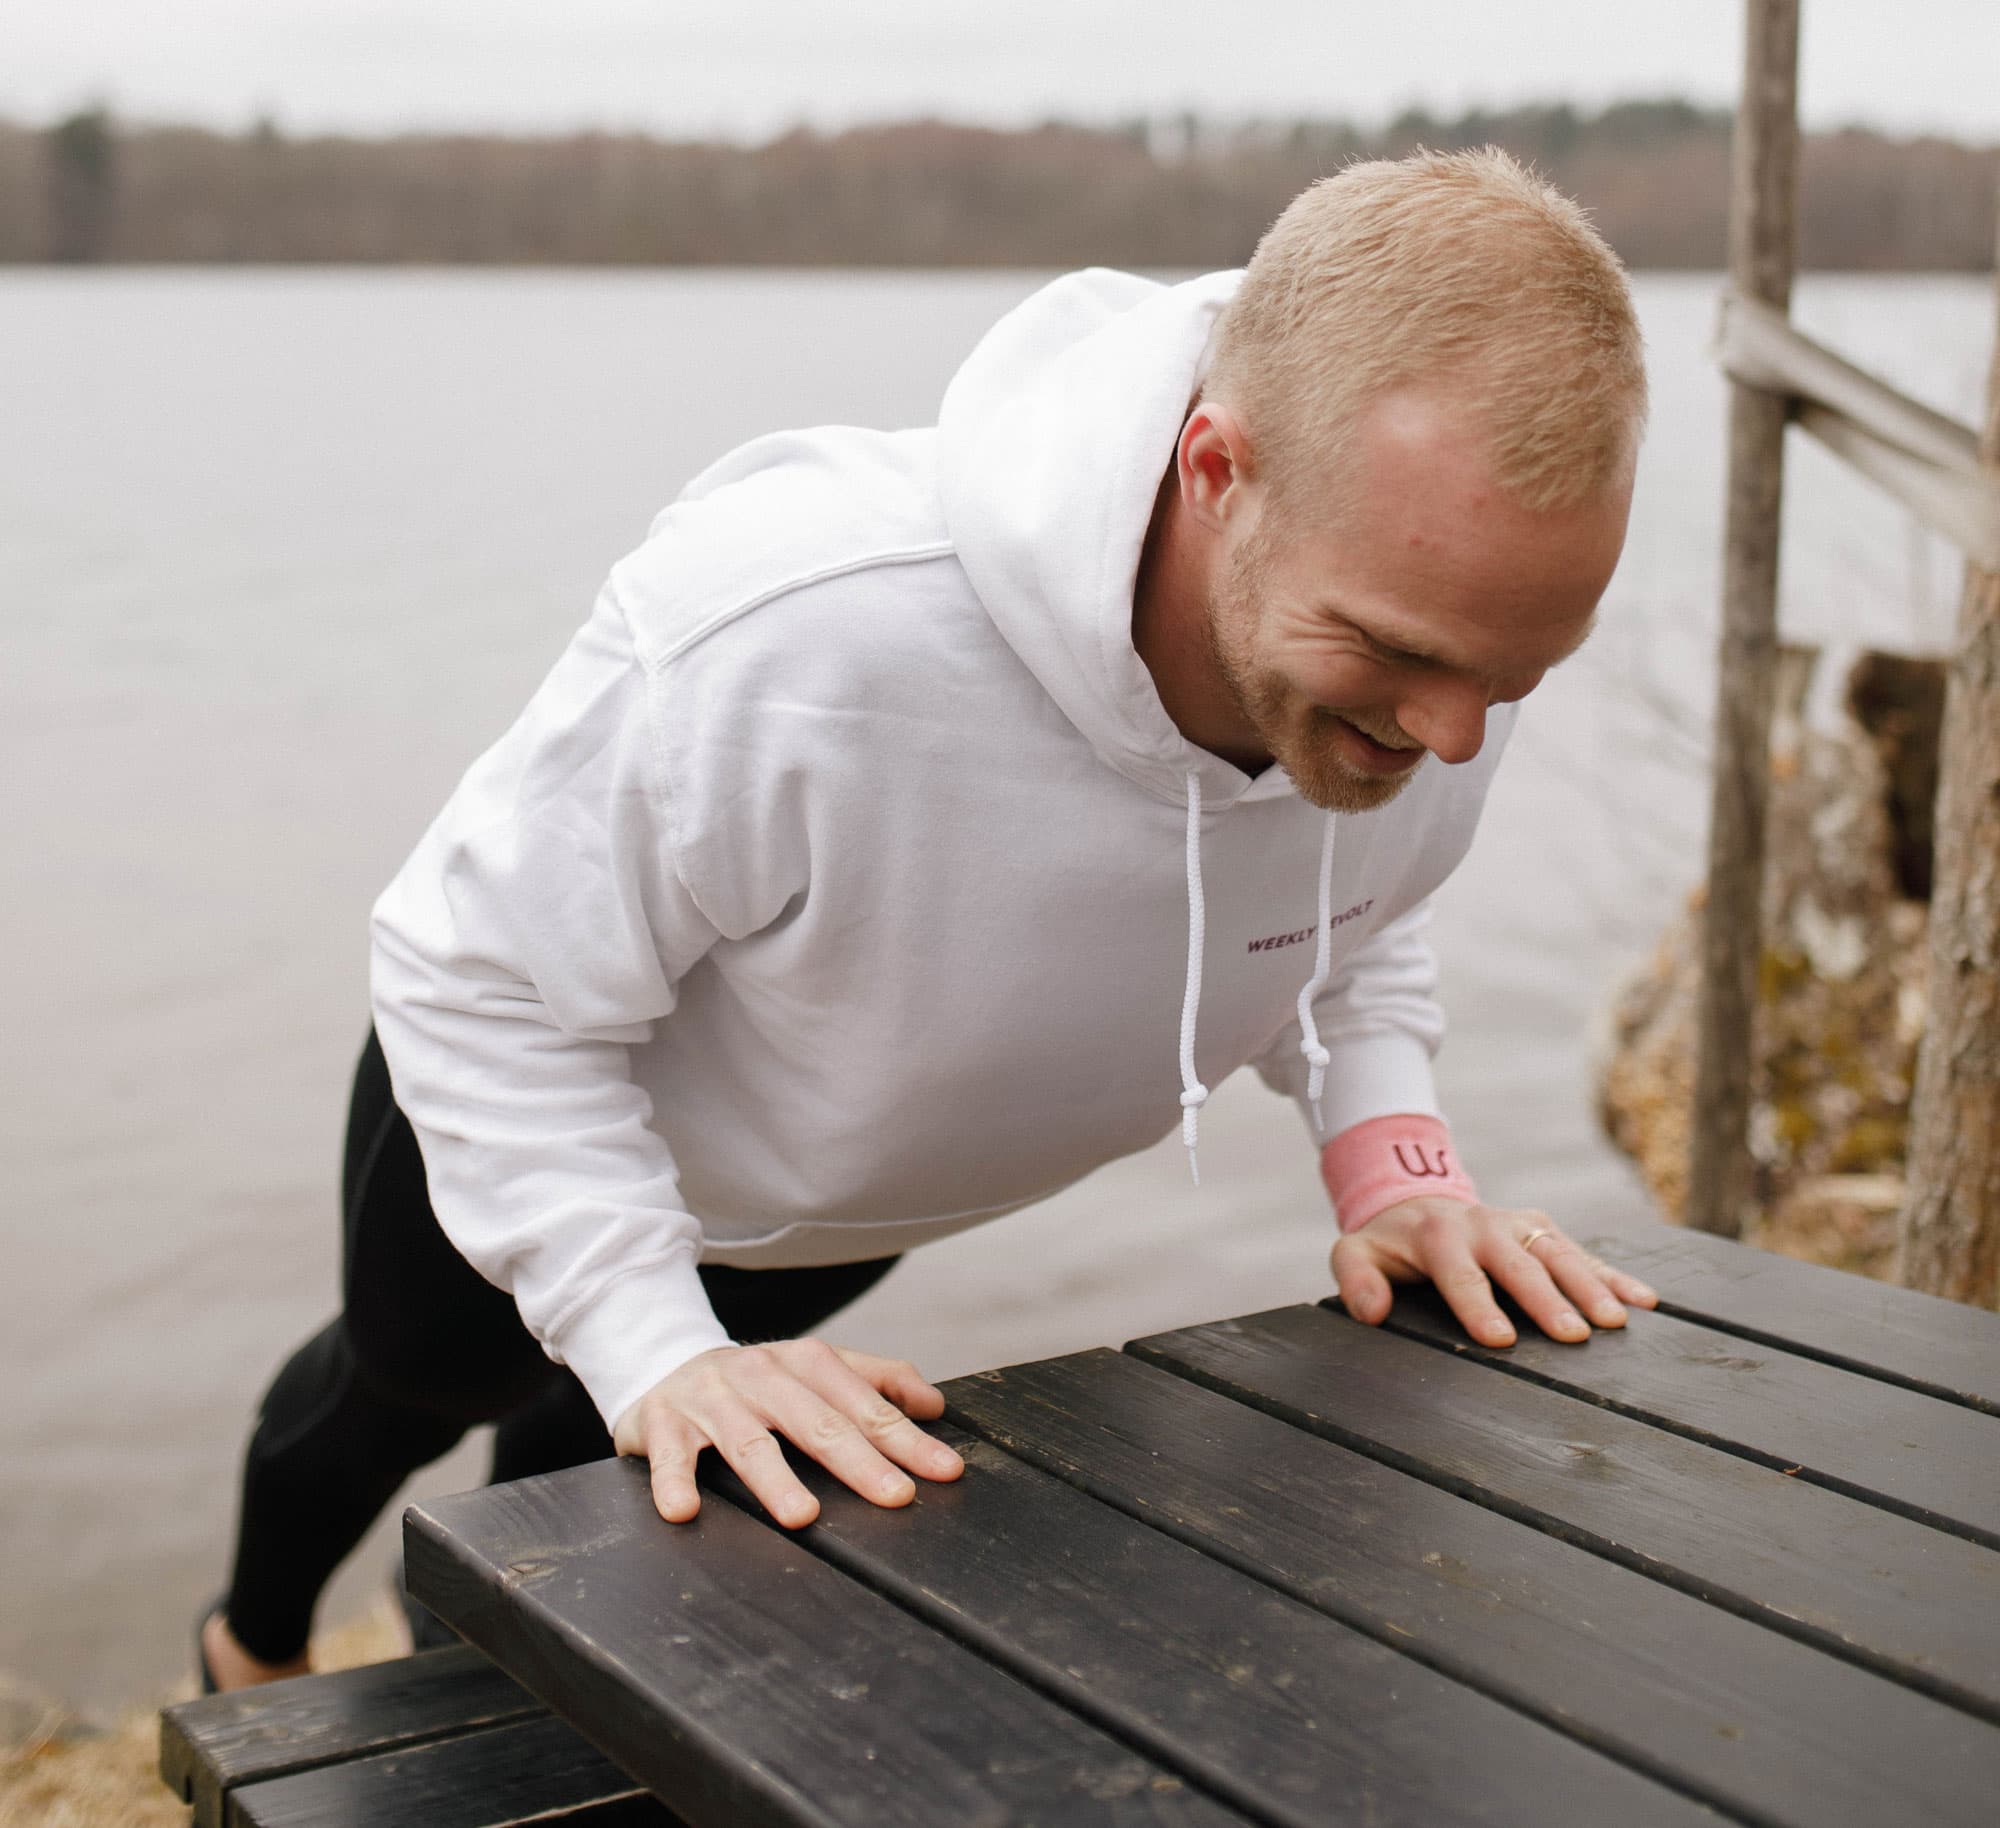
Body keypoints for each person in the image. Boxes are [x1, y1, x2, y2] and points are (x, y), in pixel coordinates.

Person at [202, 147, 1658, 1692]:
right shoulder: (797, 630)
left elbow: (1352, 901)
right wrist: (657, 1340)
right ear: (1217, 474)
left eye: (1513, 681)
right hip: (527, 1135)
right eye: (1397, 657)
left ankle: (459, 1706)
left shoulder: (1433, 623)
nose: (1451, 741)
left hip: (832, 1220)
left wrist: (1394, 1169)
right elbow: (475, 979)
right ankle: (250, 1654)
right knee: (395, 1399)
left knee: (581, 1480)